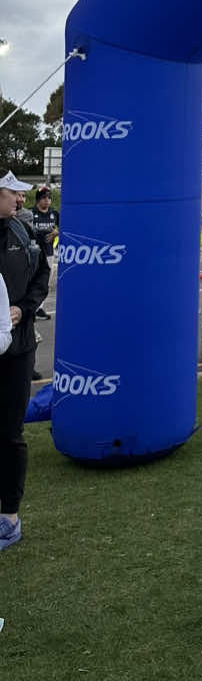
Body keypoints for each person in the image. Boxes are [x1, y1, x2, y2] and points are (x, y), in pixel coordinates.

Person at [0, 170, 50, 552]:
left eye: (19, 195)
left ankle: (10, 517)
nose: (19, 200)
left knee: (9, 432)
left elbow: (41, 278)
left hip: (16, 350)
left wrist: (21, 310)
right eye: (12, 194)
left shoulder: (23, 233)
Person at [30, 185, 59, 318]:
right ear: (37, 200)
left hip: (48, 252)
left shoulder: (54, 213)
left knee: (45, 281)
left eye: (49, 198)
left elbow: (68, 225)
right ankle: (30, 307)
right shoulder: (30, 212)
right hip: (33, 253)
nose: (47, 200)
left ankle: (39, 308)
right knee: (31, 279)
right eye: (43, 198)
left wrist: (56, 232)